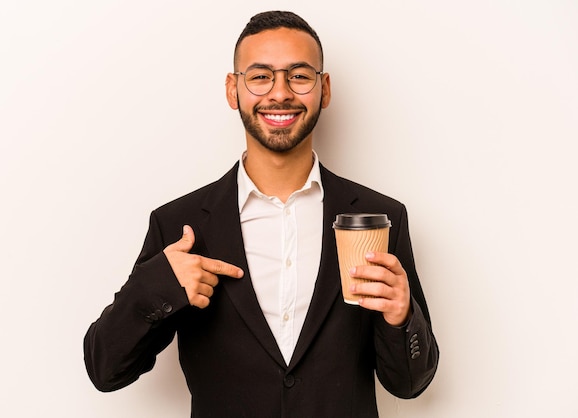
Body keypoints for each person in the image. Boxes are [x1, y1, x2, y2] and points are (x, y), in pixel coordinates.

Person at [84, 10, 439, 417]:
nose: (280, 93)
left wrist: (402, 318)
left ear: (324, 89)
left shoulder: (381, 217)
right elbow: (105, 370)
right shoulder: (179, 224)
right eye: (260, 76)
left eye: (299, 76)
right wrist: (158, 286)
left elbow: (410, 384)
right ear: (233, 90)